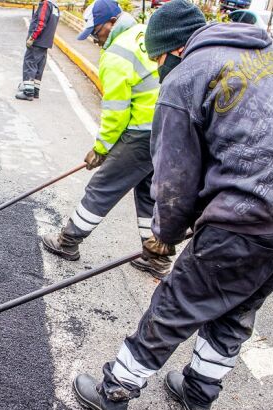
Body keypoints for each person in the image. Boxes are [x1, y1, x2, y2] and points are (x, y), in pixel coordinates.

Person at [72, 0, 273, 410]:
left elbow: (174, 174)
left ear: (173, 51)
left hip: (246, 216)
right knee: (237, 307)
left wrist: (165, 232)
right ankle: (198, 394)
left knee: (178, 302)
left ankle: (115, 391)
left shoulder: (185, 79)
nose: (159, 66)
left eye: (158, 58)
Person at [41, 0, 166, 278]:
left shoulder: (117, 55)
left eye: (96, 32)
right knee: (148, 193)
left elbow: (117, 112)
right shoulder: (145, 32)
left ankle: (68, 241)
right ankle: (154, 257)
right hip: (168, 130)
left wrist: (101, 149)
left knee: (102, 187)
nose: (95, 39)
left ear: (111, 23)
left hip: (142, 133)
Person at [15, 0, 60, 101]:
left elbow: (41, 23)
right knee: (39, 66)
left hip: (38, 41)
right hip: (45, 42)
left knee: (30, 63)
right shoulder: (55, 6)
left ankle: (28, 92)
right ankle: (35, 91)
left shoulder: (45, 4)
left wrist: (32, 38)